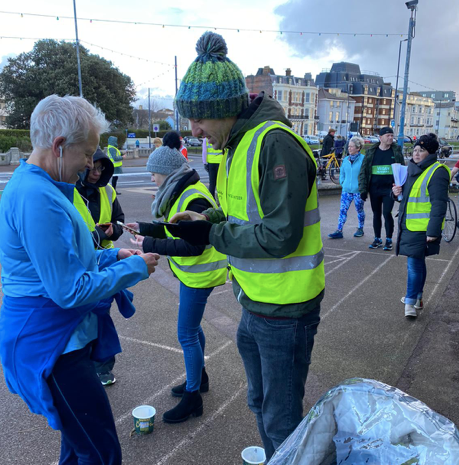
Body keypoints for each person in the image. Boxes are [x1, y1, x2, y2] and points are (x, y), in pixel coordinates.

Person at [168, 31, 325, 461]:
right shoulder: (238, 143)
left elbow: (280, 235)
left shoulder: (272, 142)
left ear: (221, 110)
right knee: (260, 405)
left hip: (285, 314)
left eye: (198, 119)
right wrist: (207, 219)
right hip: (255, 302)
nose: (194, 130)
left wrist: (210, 235)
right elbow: (242, 214)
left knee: (281, 419)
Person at [0, 95, 160, 465]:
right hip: (53, 346)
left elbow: (71, 259)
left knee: (80, 447)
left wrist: (113, 255)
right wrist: (131, 270)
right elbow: (69, 289)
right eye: (87, 153)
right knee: (100, 452)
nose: (90, 164)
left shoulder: (43, 188)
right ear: (58, 147)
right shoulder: (38, 197)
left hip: (60, 340)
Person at [127, 145, 227, 424]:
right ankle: (200, 378)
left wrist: (150, 244)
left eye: (153, 173)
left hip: (200, 275)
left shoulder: (192, 197)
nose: (151, 179)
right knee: (192, 330)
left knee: (186, 333)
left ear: (167, 173)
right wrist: (144, 228)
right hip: (192, 275)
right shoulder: (183, 190)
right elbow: (176, 228)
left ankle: (193, 397)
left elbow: (193, 245)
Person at [75, 147, 125, 386]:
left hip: (103, 262)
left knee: (101, 315)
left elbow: (119, 220)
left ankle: (103, 367)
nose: (96, 173)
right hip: (79, 263)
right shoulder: (69, 191)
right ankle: (82, 365)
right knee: (81, 317)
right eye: (93, 167)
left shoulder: (108, 190)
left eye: (101, 168)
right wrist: (93, 235)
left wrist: (114, 229)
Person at [392, 133, 449, 318]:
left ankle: (409, 303)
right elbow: (405, 198)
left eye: (421, 150)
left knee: (413, 265)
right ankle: (417, 298)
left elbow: (439, 203)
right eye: (415, 150)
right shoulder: (410, 170)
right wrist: (396, 193)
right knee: (418, 262)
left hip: (423, 227)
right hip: (408, 225)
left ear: (430, 152)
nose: (416, 153)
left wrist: (433, 231)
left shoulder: (437, 171)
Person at [359, 126, 405, 251]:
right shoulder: (371, 152)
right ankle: (377, 238)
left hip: (389, 190)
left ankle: (389, 239)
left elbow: (402, 171)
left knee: (386, 213)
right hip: (374, 189)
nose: (390, 138)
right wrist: (363, 190)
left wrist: (401, 188)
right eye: (388, 135)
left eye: (392, 135)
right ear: (380, 138)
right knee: (376, 214)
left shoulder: (396, 152)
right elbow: (363, 172)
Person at [328, 136, 366, 239]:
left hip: (358, 191)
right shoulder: (345, 159)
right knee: (342, 210)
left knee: (359, 210)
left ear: (358, 148)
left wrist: (363, 187)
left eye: (351, 147)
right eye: (348, 146)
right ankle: (339, 230)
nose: (349, 148)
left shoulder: (363, 160)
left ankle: (360, 228)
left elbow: (366, 175)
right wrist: (342, 182)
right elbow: (342, 173)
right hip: (346, 190)